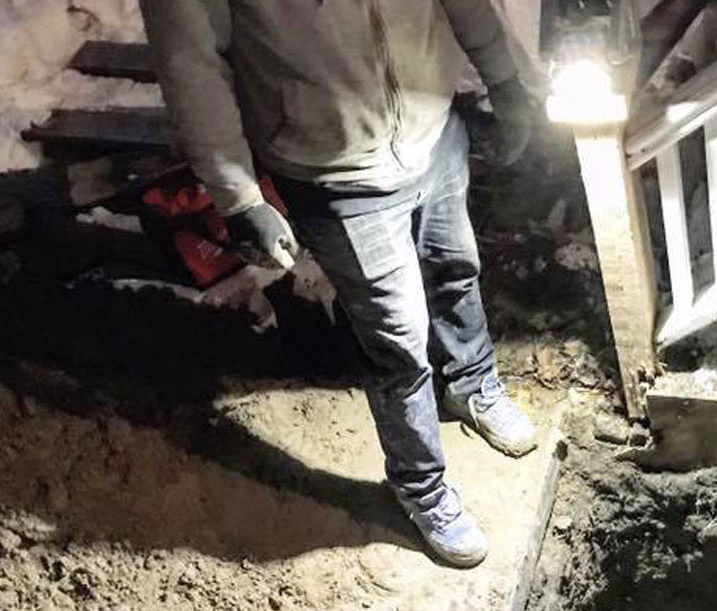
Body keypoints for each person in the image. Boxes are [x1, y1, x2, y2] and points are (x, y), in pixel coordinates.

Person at [138, 0, 541, 568]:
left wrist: (503, 76)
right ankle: (419, 484)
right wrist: (239, 195)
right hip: (334, 171)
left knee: (455, 270)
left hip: (433, 131)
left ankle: (471, 383)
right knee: (396, 342)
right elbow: (191, 62)